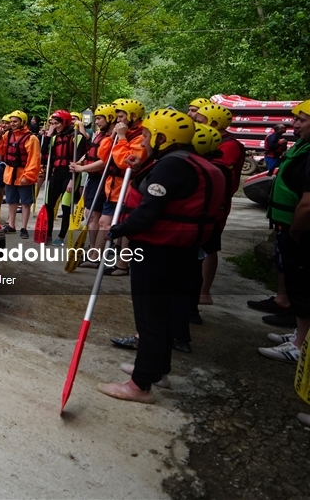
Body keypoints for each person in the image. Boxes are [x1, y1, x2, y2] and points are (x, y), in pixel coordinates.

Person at [98, 109, 224, 403]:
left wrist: (118, 229)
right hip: (183, 252)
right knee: (164, 314)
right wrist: (140, 165)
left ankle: (139, 385)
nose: (142, 139)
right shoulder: (192, 162)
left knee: (150, 317)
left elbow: (147, 213)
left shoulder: (171, 167)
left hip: (157, 251)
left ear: (163, 137)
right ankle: (157, 370)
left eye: (145, 135)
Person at [258, 100, 309, 365]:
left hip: (298, 232)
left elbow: (308, 202)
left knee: (302, 289)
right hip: (288, 226)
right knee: (297, 285)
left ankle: (300, 346)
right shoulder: (304, 148)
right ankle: (300, 335)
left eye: (302, 119)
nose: (295, 124)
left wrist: (295, 235)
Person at [192, 103, 244, 307]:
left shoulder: (229, 145)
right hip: (205, 203)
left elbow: (217, 171)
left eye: (200, 120)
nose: (196, 122)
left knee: (209, 247)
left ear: (213, 123)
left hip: (216, 205)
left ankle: (204, 292)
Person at [92, 99, 147, 274]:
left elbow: (127, 162)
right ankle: (96, 257)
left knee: (123, 228)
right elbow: (104, 155)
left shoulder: (140, 137)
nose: (118, 121)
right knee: (104, 222)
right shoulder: (122, 132)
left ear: (133, 116)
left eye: (121, 116)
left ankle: (122, 264)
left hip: (128, 188)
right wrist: (112, 137)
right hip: (113, 187)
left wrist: (122, 137)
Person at [70, 103, 115, 259]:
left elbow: (105, 161)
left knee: (94, 216)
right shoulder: (101, 134)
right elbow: (91, 152)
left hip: (103, 178)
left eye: (100, 118)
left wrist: (82, 169)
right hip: (94, 177)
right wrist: (80, 163)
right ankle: (93, 248)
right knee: (90, 214)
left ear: (110, 118)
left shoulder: (112, 137)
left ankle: (95, 252)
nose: (96, 122)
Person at [39, 110, 88, 244]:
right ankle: (47, 234)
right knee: (49, 204)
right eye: (52, 123)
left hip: (70, 175)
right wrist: (48, 135)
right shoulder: (54, 137)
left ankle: (60, 237)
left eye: (57, 123)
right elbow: (43, 152)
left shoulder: (77, 137)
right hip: (56, 174)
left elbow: (78, 160)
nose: (54, 126)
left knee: (66, 207)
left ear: (65, 123)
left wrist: (72, 181)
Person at [0, 110, 40, 238]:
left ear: (23, 122)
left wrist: (28, 176)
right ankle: (11, 225)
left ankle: (24, 228)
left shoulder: (31, 138)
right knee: (11, 201)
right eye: (11, 122)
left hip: (23, 174)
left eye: (15, 121)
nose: (12, 124)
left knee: (26, 203)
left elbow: (34, 159)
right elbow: (0, 150)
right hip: (10, 174)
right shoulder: (7, 135)